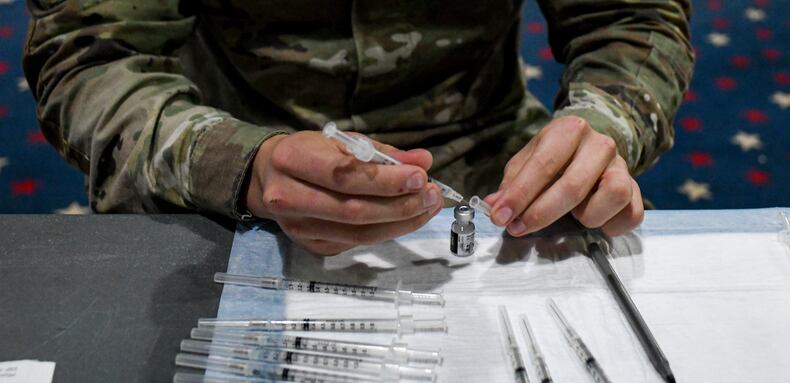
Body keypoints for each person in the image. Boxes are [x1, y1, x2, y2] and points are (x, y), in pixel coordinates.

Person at [23, 1, 693, 255]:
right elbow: (89, 59)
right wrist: (236, 161)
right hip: (219, 180)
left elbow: (631, 19)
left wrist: (602, 121)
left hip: (498, 179)